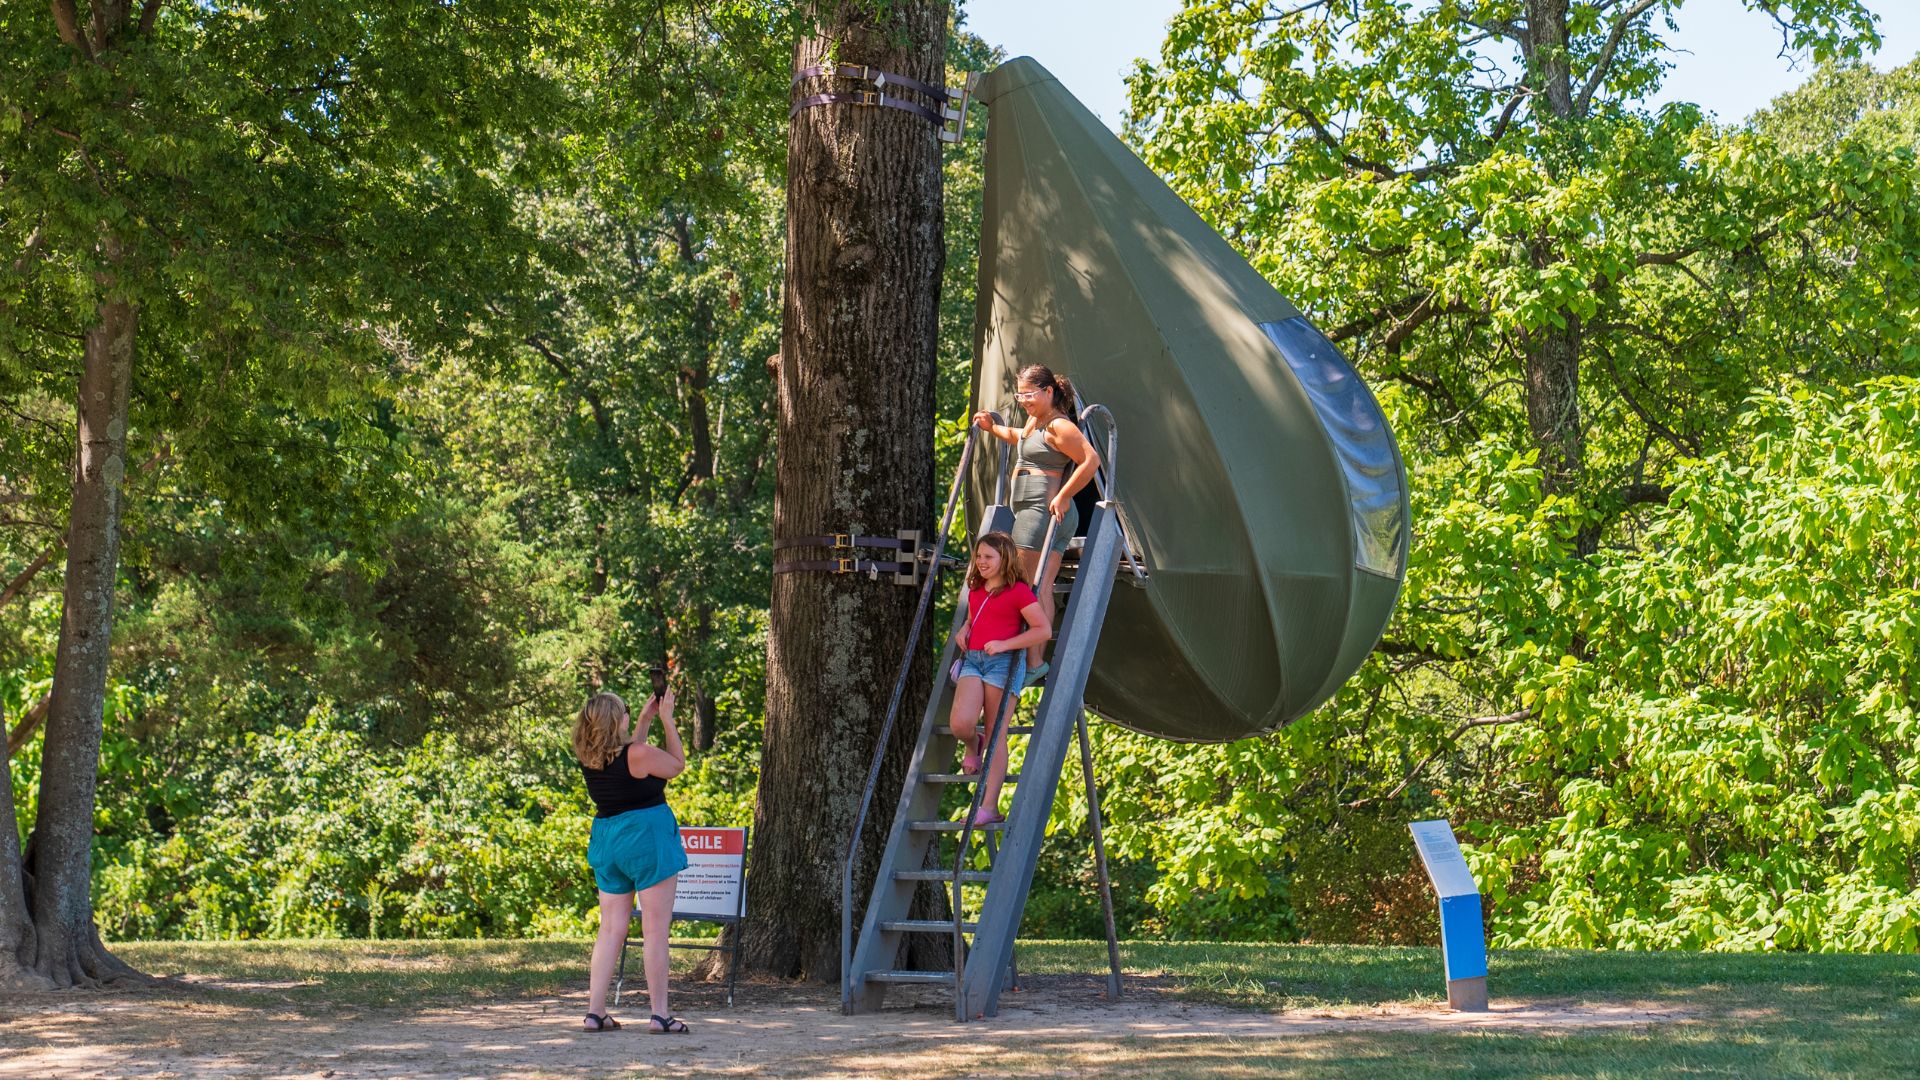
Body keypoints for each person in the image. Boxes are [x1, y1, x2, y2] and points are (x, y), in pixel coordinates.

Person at [972, 364, 1102, 685]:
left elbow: (1091, 460)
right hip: (1036, 511)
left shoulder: (1059, 425)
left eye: (1029, 395)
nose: (1024, 401)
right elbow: (1020, 438)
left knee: (1024, 586)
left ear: (1048, 392)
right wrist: (992, 429)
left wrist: (1065, 495)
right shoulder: (1036, 420)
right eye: (1020, 395)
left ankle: (1022, 656)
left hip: (1042, 511)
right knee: (1040, 586)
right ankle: (1034, 661)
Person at [573, 687, 691, 1034]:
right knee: (655, 931)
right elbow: (676, 765)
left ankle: (595, 1013)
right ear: (616, 719)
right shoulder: (637, 754)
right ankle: (660, 1015)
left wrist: (643, 720)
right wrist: (667, 720)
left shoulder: (590, 754)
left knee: (610, 929)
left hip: (607, 839)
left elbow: (630, 759)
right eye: (625, 709)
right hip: (645, 839)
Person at [949, 532, 1052, 825]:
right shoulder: (976, 588)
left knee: (997, 733)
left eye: (988, 557)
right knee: (960, 724)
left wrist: (1005, 645)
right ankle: (972, 744)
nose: (981, 562)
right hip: (974, 660)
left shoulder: (1018, 591)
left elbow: (1042, 630)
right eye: (978, 556)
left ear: (1003, 559)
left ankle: (989, 806)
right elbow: (976, 617)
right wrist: (964, 628)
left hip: (1002, 664)